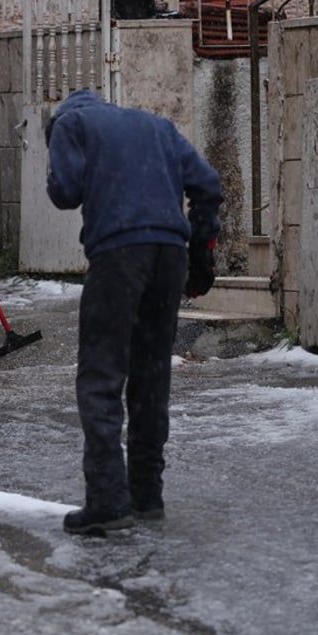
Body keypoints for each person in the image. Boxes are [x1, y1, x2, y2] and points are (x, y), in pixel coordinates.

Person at [46, 89, 223, 535]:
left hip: (120, 254)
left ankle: (108, 500)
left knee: (101, 377)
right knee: (151, 375)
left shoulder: (70, 124)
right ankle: (146, 495)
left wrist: (69, 166)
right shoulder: (156, 126)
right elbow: (208, 185)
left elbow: (64, 192)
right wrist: (202, 251)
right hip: (169, 255)